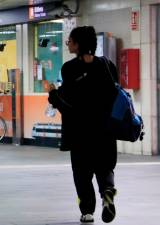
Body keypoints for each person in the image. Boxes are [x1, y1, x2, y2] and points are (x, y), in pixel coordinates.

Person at [48, 26, 118, 224]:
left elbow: (67, 105)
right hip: (105, 130)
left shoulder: (69, 69)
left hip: (79, 132)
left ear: (77, 44)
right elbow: (114, 95)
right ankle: (108, 192)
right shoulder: (107, 65)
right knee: (105, 168)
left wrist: (53, 94)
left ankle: (87, 211)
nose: (68, 44)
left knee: (82, 174)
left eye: (69, 40)